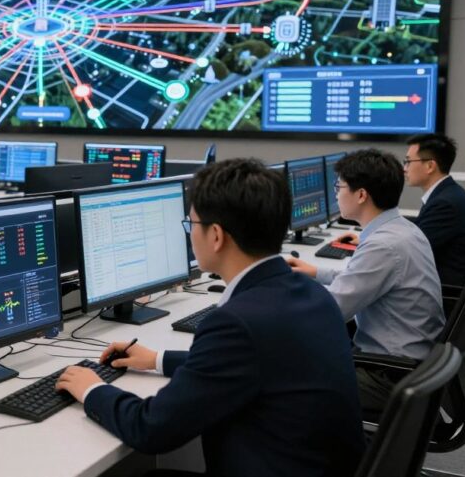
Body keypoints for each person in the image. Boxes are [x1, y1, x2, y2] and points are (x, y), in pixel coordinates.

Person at [56, 159, 364, 477]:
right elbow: (251, 362)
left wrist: (91, 389)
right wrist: (156, 359)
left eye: (191, 225)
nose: (190, 235)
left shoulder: (237, 323)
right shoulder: (309, 292)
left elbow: (152, 429)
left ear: (216, 235)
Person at [287, 149, 444, 414]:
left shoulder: (383, 246)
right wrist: (314, 272)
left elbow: (330, 311)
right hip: (412, 365)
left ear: (361, 195)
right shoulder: (402, 229)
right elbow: (361, 279)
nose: (336, 193)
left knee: (281, 378)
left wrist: (271, 301)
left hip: (388, 375)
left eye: (339, 186)